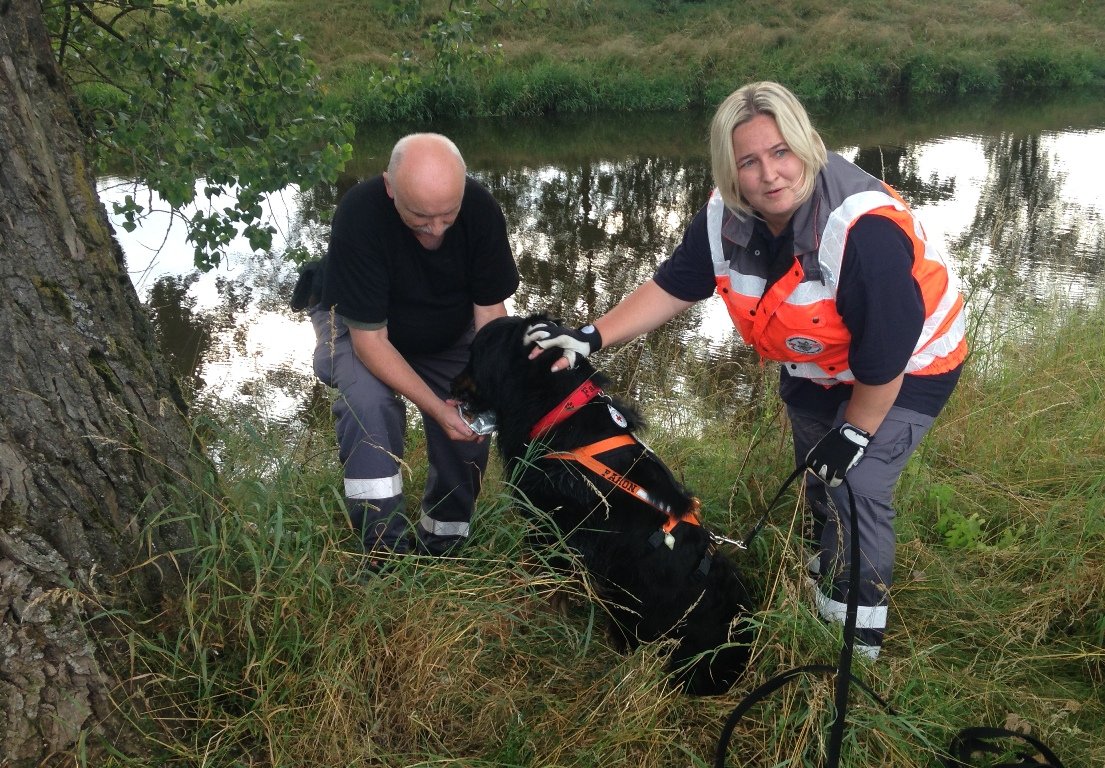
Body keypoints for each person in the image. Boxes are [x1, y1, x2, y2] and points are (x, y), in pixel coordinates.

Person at [525, 81, 967, 659]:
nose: (770, 175)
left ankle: (854, 643)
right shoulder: (724, 216)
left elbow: (885, 355)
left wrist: (857, 431)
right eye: (749, 162)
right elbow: (674, 285)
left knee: (856, 484)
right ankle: (823, 566)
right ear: (729, 170)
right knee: (818, 472)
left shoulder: (863, 233)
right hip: (816, 362)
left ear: (807, 144)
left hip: (910, 364)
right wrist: (592, 336)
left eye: (781, 152)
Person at [309, 132, 519, 562]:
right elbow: (371, 342)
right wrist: (436, 408)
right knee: (369, 408)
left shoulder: (481, 209)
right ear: (390, 187)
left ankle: (442, 541)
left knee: (471, 416)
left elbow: (490, 315)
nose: (435, 230)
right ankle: (382, 553)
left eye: (447, 215)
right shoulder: (360, 214)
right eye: (420, 217)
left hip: (445, 327)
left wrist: (487, 386)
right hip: (362, 330)